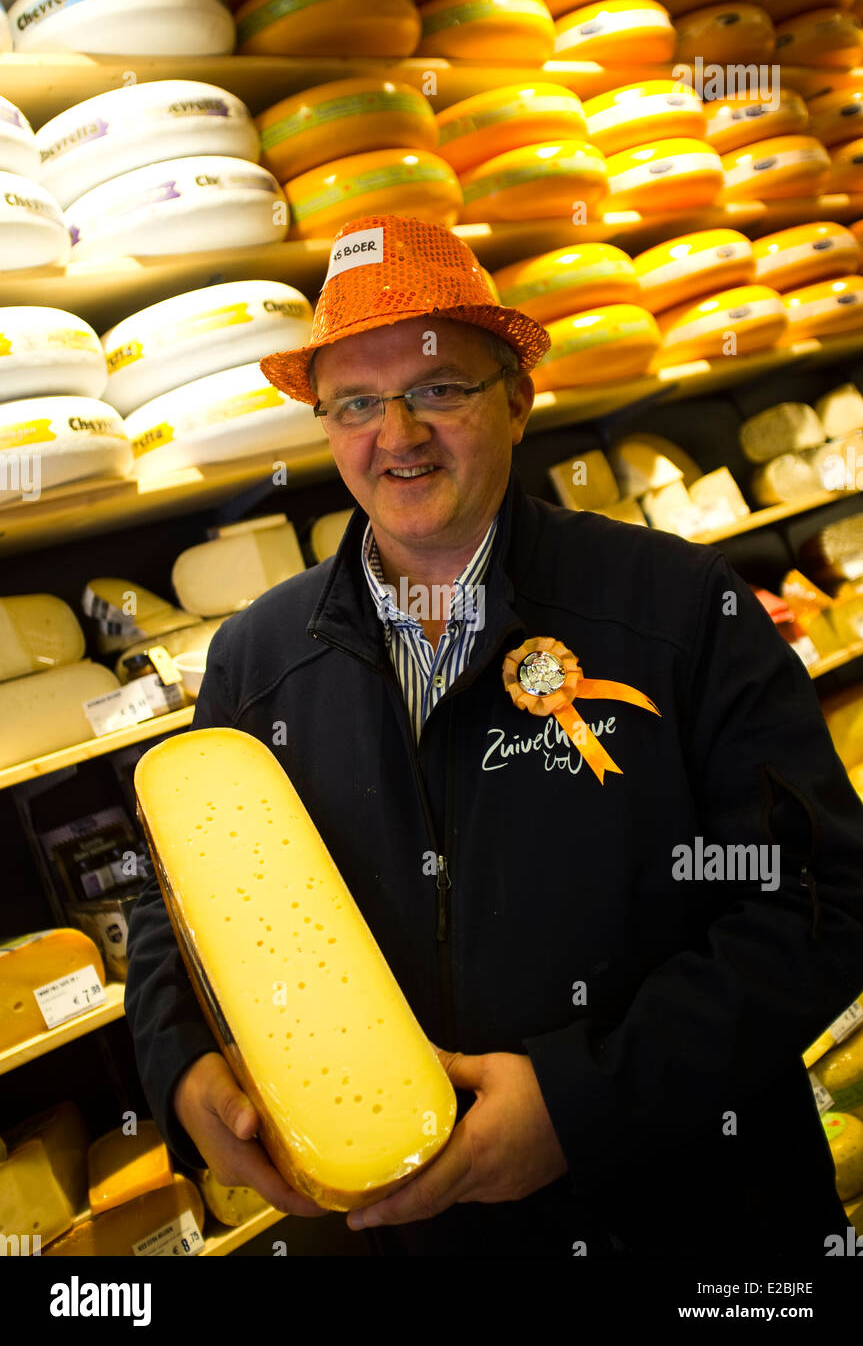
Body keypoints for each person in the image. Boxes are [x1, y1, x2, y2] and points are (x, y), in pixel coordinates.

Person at [126, 214, 863, 1258]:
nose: (397, 434)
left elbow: (819, 901)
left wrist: (574, 1102)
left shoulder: (679, 610)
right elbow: (181, 904)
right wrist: (180, 1065)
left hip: (692, 1220)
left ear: (517, 396)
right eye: (355, 402)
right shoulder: (256, 658)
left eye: (438, 389)